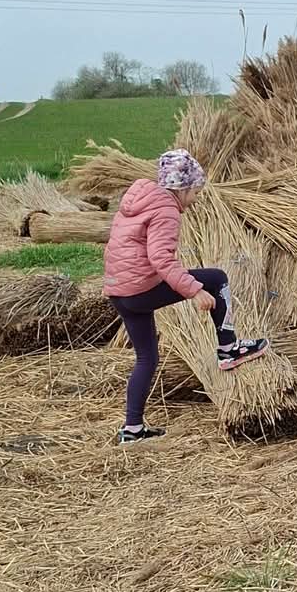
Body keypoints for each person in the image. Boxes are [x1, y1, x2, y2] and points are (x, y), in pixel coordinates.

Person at [104, 148, 268, 447]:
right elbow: (161, 259)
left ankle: (132, 429)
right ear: (182, 188)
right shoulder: (165, 208)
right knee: (217, 278)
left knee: (146, 358)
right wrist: (195, 290)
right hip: (140, 288)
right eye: (195, 192)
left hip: (119, 291)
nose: (195, 199)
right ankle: (229, 349)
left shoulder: (137, 202)